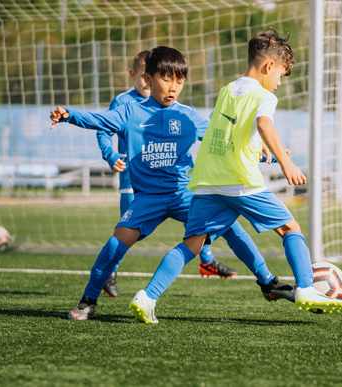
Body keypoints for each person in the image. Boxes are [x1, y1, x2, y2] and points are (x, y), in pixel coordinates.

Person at [50, 46, 295, 321]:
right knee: (114, 246)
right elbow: (100, 121)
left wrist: (269, 152)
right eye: (166, 79)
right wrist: (69, 115)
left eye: (179, 81)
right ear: (148, 77)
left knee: (231, 227)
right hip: (148, 198)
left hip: (185, 193)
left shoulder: (187, 115)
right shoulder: (130, 112)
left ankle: (267, 282)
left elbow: (226, 139)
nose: (173, 87)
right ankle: (87, 301)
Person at [130, 30, 342, 324]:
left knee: (192, 244)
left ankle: (147, 296)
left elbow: (232, 133)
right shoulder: (264, 95)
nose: (280, 82)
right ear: (269, 67)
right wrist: (285, 161)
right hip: (241, 181)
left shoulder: (228, 89)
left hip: (208, 180)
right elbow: (264, 124)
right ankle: (306, 288)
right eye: (281, 75)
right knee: (290, 229)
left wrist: (260, 150)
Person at [97, 51, 238, 299]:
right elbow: (102, 129)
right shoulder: (124, 103)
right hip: (133, 181)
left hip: (172, 183)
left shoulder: (176, 109)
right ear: (138, 76)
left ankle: (207, 258)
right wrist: (110, 155)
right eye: (144, 77)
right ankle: (110, 272)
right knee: (124, 236)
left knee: (200, 217)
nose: (146, 83)